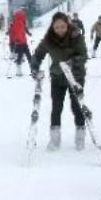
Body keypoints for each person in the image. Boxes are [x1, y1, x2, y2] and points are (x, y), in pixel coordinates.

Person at [29, 13, 89, 151]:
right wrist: (34, 66)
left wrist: (73, 61)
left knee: (76, 106)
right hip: (57, 76)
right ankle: (55, 139)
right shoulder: (49, 39)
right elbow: (38, 54)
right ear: (53, 27)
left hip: (75, 76)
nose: (60, 30)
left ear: (67, 25)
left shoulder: (76, 37)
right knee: (56, 107)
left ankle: (80, 137)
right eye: (57, 27)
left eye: (62, 26)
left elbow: (84, 55)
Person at [8, 9, 32, 76]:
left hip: (23, 42)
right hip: (19, 43)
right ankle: (19, 71)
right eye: (23, 15)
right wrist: (16, 39)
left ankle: (33, 69)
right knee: (21, 56)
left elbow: (24, 29)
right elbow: (14, 32)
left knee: (28, 56)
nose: (24, 16)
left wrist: (28, 33)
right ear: (20, 16)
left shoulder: (22, 22)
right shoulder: (17, 23)